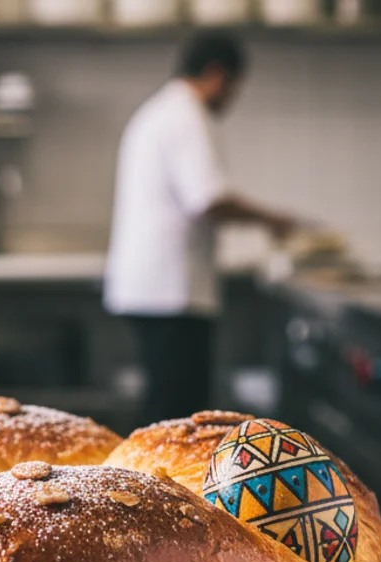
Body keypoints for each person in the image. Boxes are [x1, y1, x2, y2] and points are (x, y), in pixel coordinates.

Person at [104, 31, 304, 425]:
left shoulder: (162, 111)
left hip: (155, 287)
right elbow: (209, 199)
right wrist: (272, 220)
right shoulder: (186, 116)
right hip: (170, 293)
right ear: (217, 74)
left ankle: (155, 486)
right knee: (179, 419)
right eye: (234, 88)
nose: (231, 99)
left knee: (166, 411)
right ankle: (164, 488)